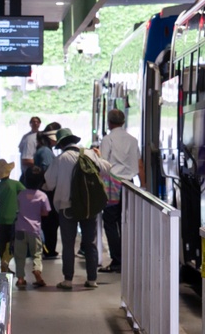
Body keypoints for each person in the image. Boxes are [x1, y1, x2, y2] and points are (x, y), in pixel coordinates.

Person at [43, 127, 107, 290]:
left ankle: (68, 280)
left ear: (61, 144)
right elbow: (107, 168)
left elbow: (49, 184)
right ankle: (92, 279)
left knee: (68, 244)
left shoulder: (60, 159)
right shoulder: (89, 154)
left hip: (67, 206)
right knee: (90, 242)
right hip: (88, 205)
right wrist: (98, 156)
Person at [99, 108, 143, 273]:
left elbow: (103, 164)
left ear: (109, 122)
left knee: (110, 222)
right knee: (125, 222)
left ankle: (117, 260)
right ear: (123, 122)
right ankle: (127, 259)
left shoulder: (108, 139)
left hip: (112, 182)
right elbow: (139, 163)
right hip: (129, 183)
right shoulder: (133, 140)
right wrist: (143, 185)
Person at [11, 169, 51, 288]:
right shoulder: (42, 196)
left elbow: (16, 208)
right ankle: (37, 270)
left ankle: (21, 279)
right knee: (37, 253)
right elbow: (45, 213)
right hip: (35, 230)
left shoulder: (21, 195)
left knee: (19, 255)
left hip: (20, 229)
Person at [0, 159, 22, 274]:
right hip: (13, 218)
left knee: (2, 242)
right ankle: (7, 262)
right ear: (9, 172)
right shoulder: (15, 184)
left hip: (1, 217)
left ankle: (3, 264)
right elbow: (25, 194)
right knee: (12, 243)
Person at [34, 130, 60, 259]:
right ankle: (49, 249)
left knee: (47, 222)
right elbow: (48, 170)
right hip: (48, 191)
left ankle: (47, 248)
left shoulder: (43, 150)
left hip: (43, 190)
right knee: (51, 222)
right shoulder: (46, 151)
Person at [18, 116, 41, 181]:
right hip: (26, 171)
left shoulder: (41, 136)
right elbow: (21, 150)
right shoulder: (26, 137)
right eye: (33, 122)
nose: (35, 123)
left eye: (37, 122)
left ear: (39, 124)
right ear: (30, 124)